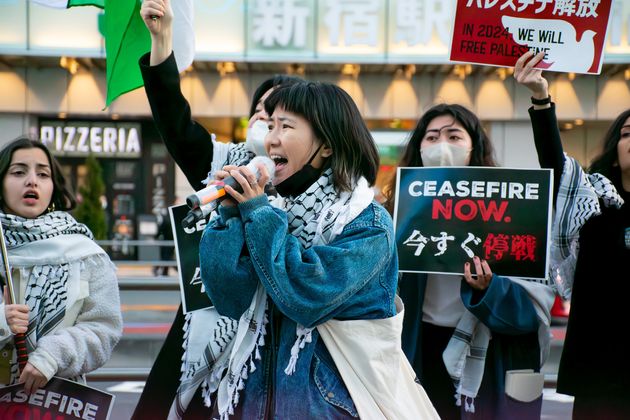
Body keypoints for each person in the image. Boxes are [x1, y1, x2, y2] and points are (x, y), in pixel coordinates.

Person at [169, 80, 437, 419]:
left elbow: (305, 296)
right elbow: (229, 297)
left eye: (286, 126)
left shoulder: (367, 224)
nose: (271, 138)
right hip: (258, 404)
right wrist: (231, 214)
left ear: (326, 145)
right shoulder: (270, 210)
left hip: (333, 406)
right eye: (271, 125)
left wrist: (259, 214)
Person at [132, 1, 302, 417]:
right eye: (262, 115)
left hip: (271, 353)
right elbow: (174, 119)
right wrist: (162, 40)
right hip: (200, 333)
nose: (269, 127)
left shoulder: (315, 190)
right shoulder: (221, 165)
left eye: (283, 118)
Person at [383, 104, 554, 419]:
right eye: (431, 137)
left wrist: (489, 289)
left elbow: (531, 309)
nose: (441, 145)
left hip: (484, 350)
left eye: (453, 136)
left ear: (475, 146)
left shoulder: (509, 206)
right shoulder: (399, 210)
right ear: (418, 148)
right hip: (419, 342)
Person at [515, 51, 630, 419]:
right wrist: (540, 96)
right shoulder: (592, 201)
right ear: (615, 151)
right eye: (628, 134)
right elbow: (556, 163)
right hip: (600, 367)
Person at [0, 136, 122, 393]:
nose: (32, 180)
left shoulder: (85, 254)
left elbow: (104, 329)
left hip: (57, 400)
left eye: (43, 174)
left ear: (53, 187)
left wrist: (52, 356)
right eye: (18, 172)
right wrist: (2, 321)